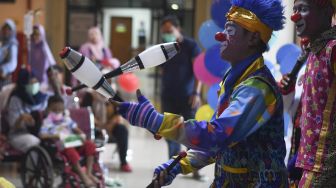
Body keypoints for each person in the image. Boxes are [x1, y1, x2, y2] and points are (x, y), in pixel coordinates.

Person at [110, 0, 288, 187]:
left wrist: (157, 121)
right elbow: (216, 144)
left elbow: (218, 135)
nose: (220, 36)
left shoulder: (257, 89)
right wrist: (178, 165)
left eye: (230, 30)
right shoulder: (234, 78)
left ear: (252, 38)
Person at [279, 0, 336, 186]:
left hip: (326, 165)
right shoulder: (313, 52)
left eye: (302, 9)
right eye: (294, 10)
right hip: (306, 160)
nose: (294, 16)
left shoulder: (333, 49)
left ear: (326, 11)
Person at [159, 15, 202, 173]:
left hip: (187, 97)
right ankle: (173, 166)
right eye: (164, 32)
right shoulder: (164, 48)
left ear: (179, 29)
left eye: (170, 31)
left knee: (191, 133)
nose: (167, 34)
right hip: (168, 96)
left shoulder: (190, 46)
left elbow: (198, 71)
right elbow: (163, 71)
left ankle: (195, 167)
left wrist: (196, 93)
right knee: (170, 133)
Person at [39, 95, 98, 187]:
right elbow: (42, 135)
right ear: (49, 109)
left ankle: (89, 173)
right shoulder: (47, 122)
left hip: (72, 141)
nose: (58, 112)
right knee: (71, 152)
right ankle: (83, 177)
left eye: (60, 109)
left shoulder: (66, 119)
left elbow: (75, 128)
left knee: (89, 145)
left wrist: (81, 134)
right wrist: (55, 135)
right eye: (55, 109)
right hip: (59, 146)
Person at [80, 91, 132, 172]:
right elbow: (85, 113)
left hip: (110, 126)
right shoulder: (90, 95)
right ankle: (89, 162)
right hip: (94, 126)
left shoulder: (114, 93)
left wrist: (109, 125)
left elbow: (120, 112)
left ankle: (123, 162)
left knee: (122, 130)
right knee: (89, 133)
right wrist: (97, 124)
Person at [6, 69, 48, 152]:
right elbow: (13, 125)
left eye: (35, 82)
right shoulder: (16, 99)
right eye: (30, 83)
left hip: (43, 132)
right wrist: (21, 118)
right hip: (20, 134)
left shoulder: (43, 98)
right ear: (23, 84)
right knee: (34, 143)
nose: (34, 85)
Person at [0, 19, 18, 90]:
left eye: (8, 29)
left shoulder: (12, 44)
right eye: (4, 29)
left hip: (4, 76)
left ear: (12, 31)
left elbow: (12, 63)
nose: (6, 31)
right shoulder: (1, 42)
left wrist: (2, 69)